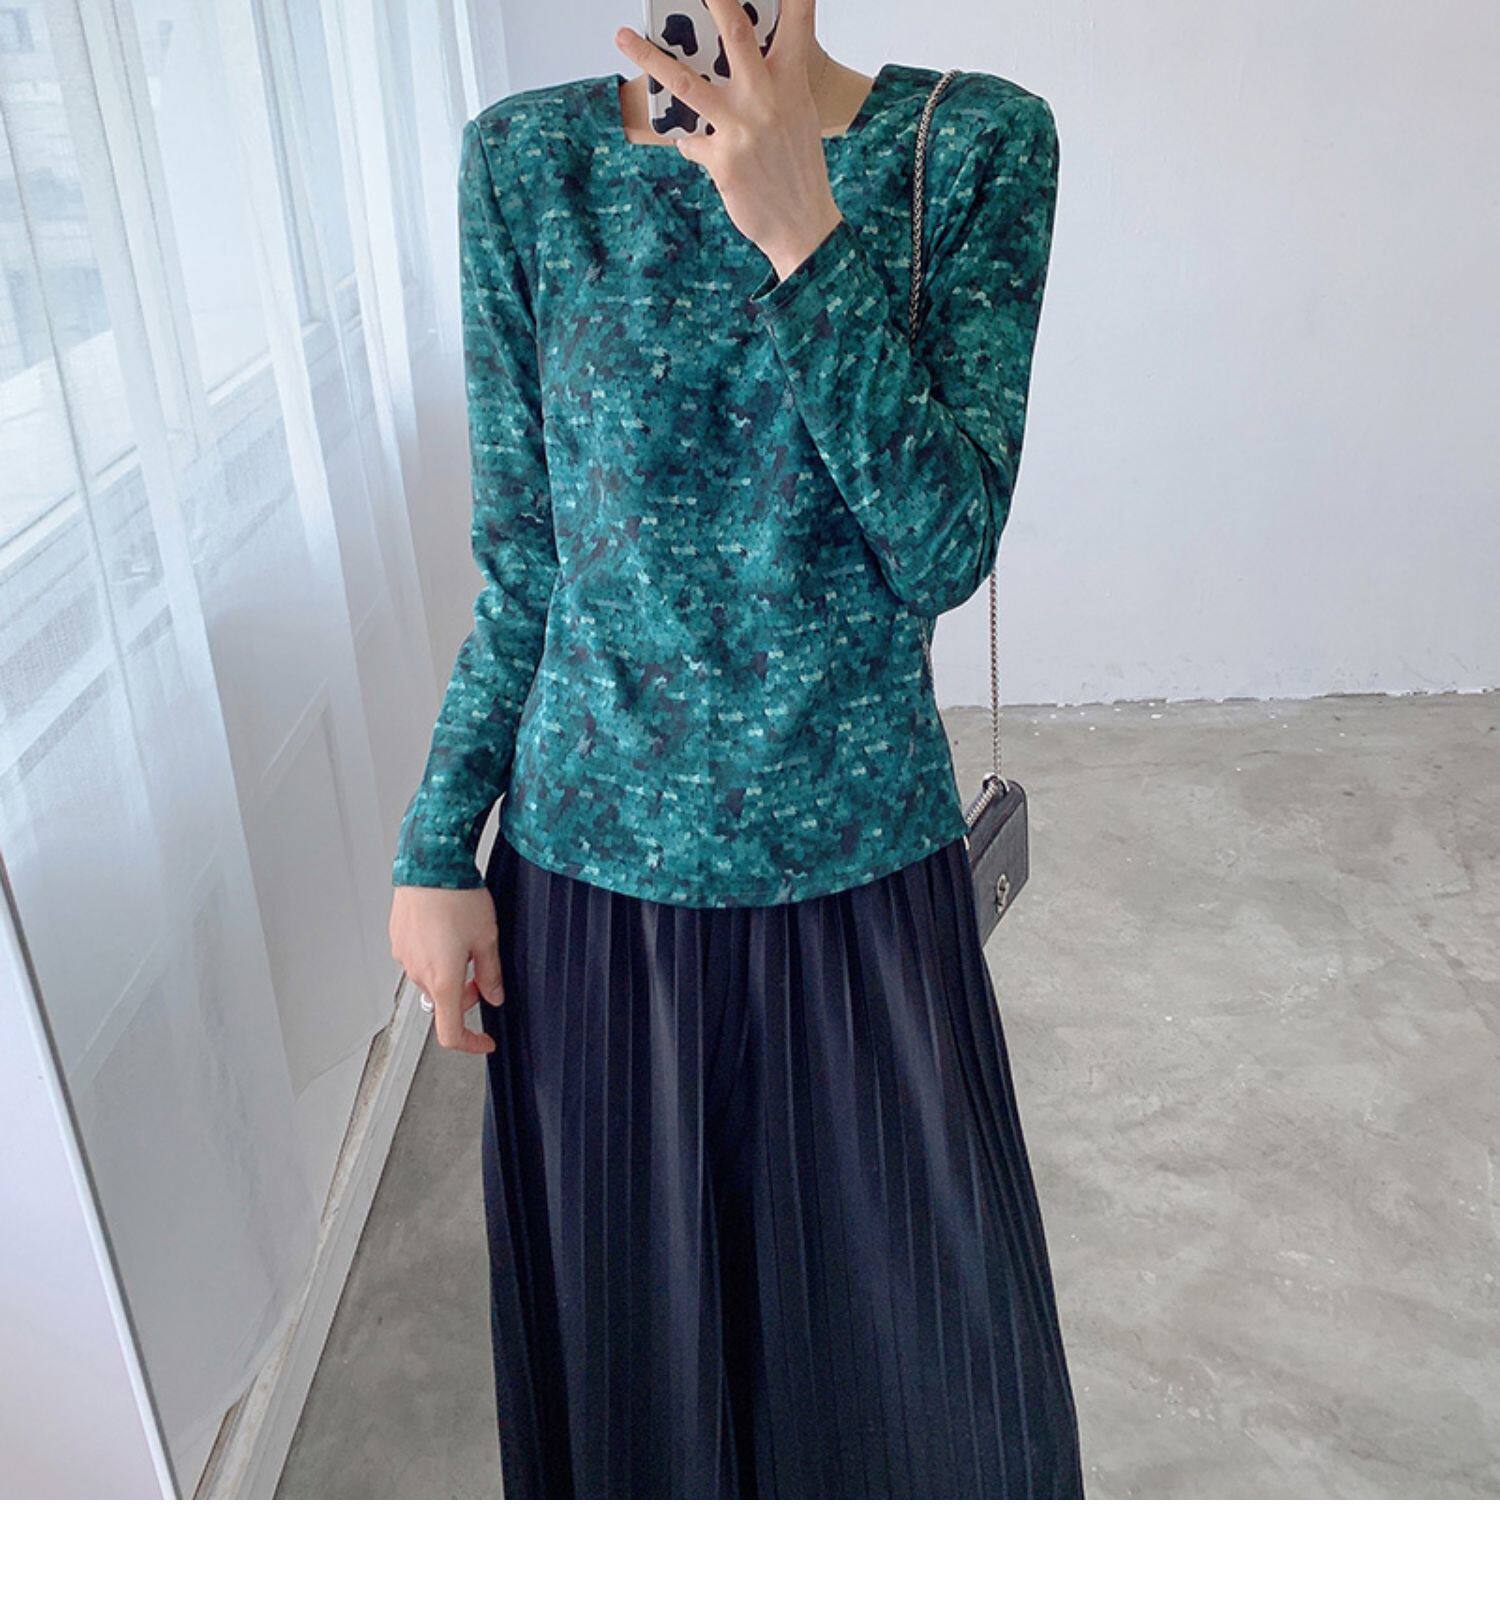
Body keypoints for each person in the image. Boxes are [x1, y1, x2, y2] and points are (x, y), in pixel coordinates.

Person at [388, 0, 1082, 1498]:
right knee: (641, 1414)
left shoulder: (972, 144)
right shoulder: (526, 165)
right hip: (591, 907)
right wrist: (438, 844)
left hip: (860, 886)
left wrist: (800, 234)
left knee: (938, 1420)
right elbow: (526, 562)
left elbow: (944, 545)